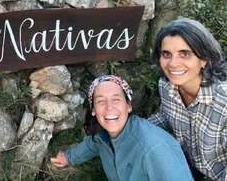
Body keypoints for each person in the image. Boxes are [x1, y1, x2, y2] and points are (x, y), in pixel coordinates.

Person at [51, 75, 193, 181]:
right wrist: (69, 158)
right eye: (100, 101)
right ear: (93, 110)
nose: (109, 107)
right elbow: (91, 144)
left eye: (116, 99)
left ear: (128, 105)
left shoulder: (154, 149)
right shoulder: (103, 135)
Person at [149, 18, 227, 180]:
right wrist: (130, 130)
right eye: (166, 54)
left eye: (184, 54)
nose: (173, 63)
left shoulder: (223, 101)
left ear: (204, 59)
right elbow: (165, 117)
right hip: (188, 163)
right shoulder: (166, 86)